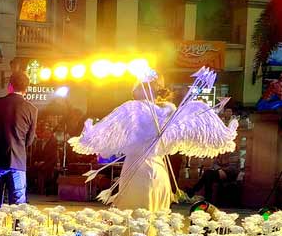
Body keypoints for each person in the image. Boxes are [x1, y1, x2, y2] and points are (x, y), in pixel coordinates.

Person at [70, 75, 238, 211]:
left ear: (147, 88)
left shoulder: (135, 109)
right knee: (151, 219)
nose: (134, 90)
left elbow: (102, 134)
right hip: (158, 171)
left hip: (139, 172)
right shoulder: (170, 112)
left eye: (137, 86)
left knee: (135, 218)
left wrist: (88, 131)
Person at [0, 71, 38, 205]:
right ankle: (16, 227)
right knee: (18, 207)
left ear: (10, 86)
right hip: (18, 162)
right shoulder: (32, 109)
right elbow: (29, 141)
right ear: (26, 89)